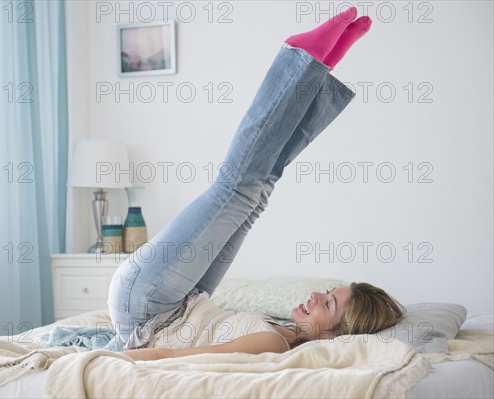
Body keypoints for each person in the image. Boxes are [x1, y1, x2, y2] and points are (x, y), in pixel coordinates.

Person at [107, 7, 404, 362]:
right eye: (325, 292)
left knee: (237, 188)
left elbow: (184, 358)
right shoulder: (283, 331)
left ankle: (301, 57)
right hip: (181, 304)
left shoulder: (275, 344)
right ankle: (317, 69)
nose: (313, 295)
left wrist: (103, 361)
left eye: (327, 303)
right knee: (259, 193)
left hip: (147, 309)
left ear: (336, 334)